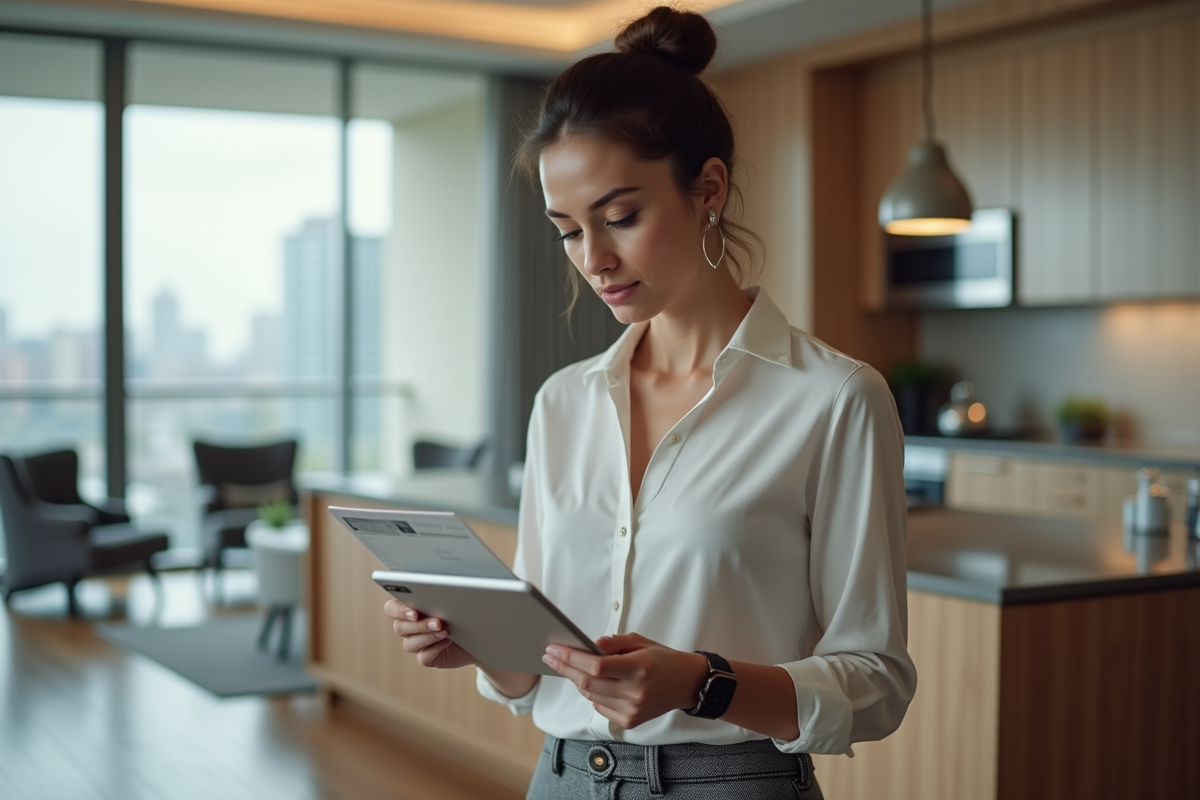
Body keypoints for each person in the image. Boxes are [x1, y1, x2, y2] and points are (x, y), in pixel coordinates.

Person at [384, 6, 916, 797]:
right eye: (567, 229)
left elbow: (875, 682)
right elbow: (539, 671)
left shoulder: (834, 399)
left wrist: (703, 681)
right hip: (560, 777)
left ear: (708, 189)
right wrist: (482, 645)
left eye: (620, 217)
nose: (593, 260)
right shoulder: (562, 403)